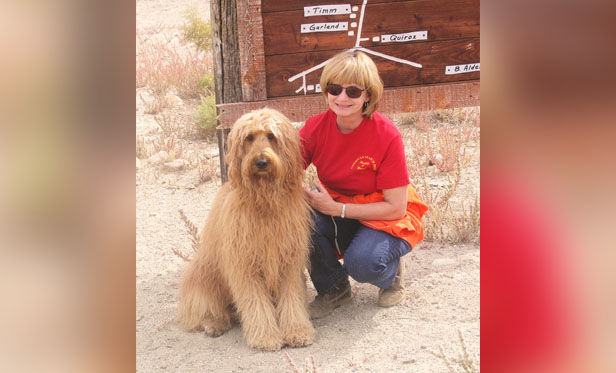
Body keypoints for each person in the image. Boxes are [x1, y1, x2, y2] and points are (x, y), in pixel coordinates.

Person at [300, 49, 428, 319]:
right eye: (334, 89)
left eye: (353, 92)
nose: (342, 98)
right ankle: (334, 289)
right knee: (299, 222)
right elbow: (285, 170)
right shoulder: (314, 128)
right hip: (336, 205)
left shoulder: (386, 135)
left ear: (368, 95)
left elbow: (395, 208)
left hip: (381, 213)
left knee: (363, 264)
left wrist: (337, 209)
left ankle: (390, 273)